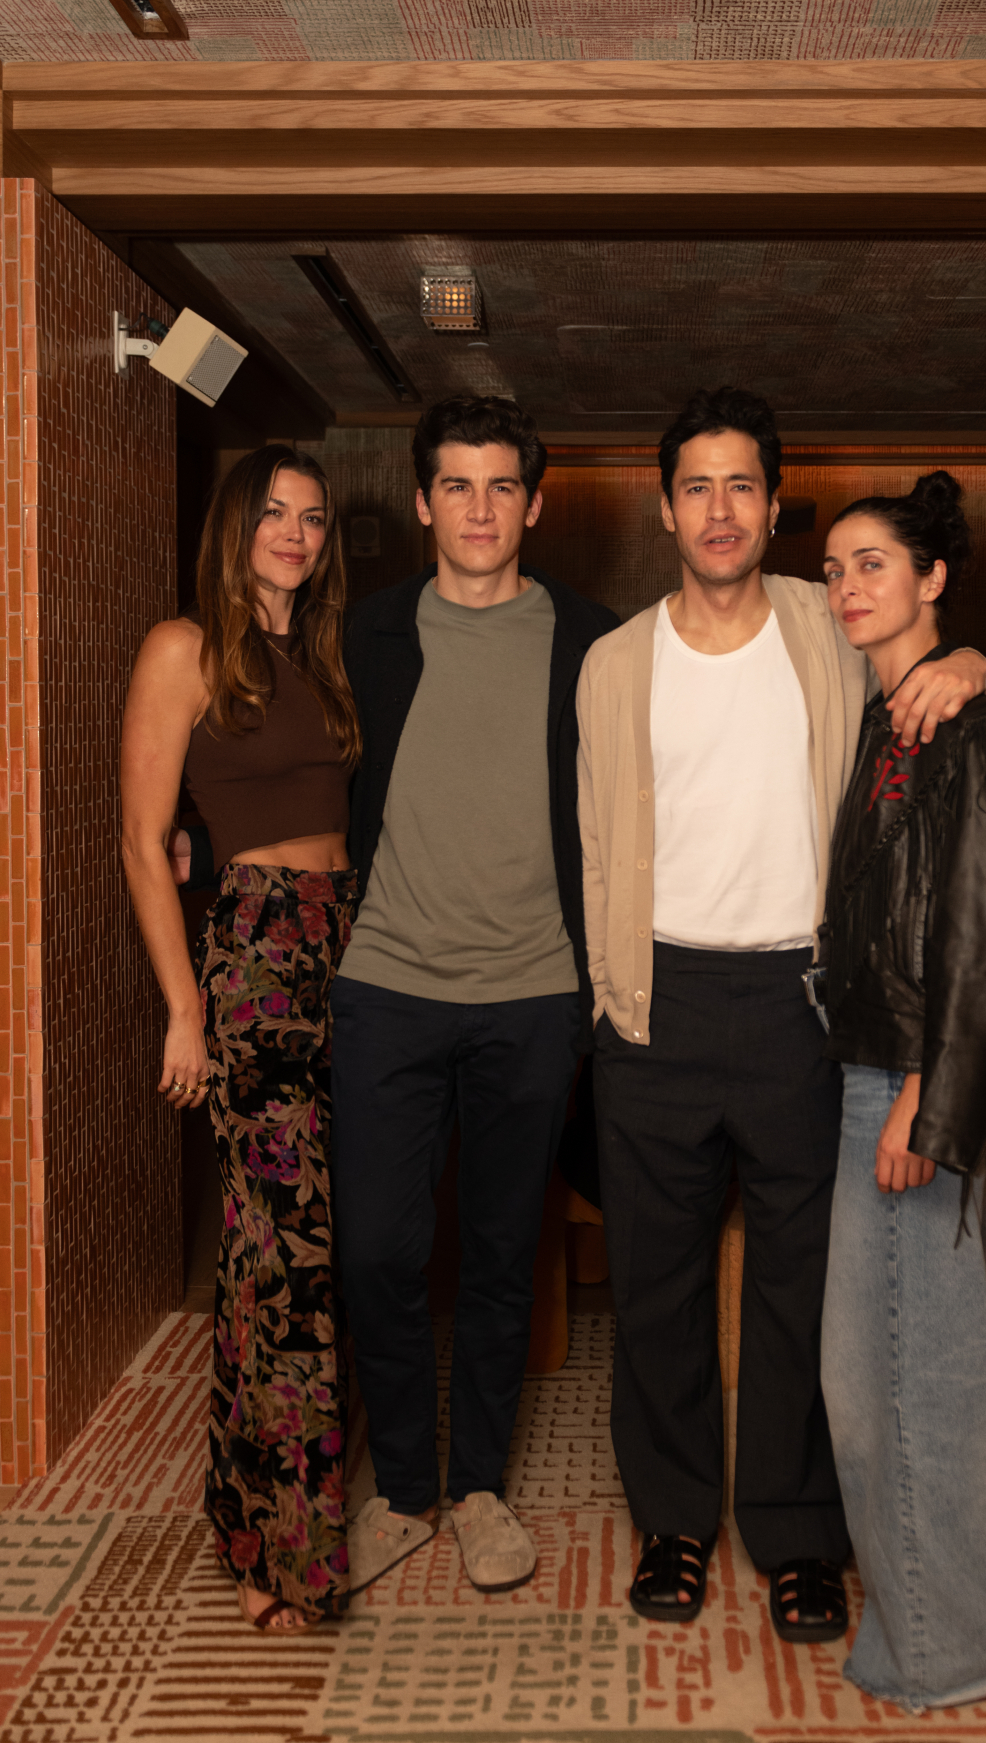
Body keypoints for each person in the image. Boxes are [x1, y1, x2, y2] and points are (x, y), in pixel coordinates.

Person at [576, 390, 986, 1637]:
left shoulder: (825, 623)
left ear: (772, 505)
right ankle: (674, 1521)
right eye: (696, 486)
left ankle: (796, 1532)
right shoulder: (614, 663)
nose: (719, 509)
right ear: (665, 508)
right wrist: (611, 1002)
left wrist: (974, 666)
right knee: (657, 1284)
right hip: (657, 1005)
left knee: (804, 1286)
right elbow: (596, 845)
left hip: (803, 1005)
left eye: (742, 486)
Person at [328, 396, 617, 1594]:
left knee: (503, 1253)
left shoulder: (595, 641)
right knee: (377, 1251)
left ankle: (480, 1486)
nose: (480, 509)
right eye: (457, 485)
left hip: (533, 992)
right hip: (385, 985)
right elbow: (280, 744)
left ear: (533, 505)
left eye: (502, 487)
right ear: (423, 502)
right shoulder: (365, 632)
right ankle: (403, 1487)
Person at [818, 471, 986, 1713]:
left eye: (873, 563)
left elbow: (976, 934)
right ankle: (974, 1611)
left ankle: (946, 1649)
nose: (848, 586)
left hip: (908, 1080)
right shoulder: (893, 717)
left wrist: (926, 1092)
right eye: (835, 568)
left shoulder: (967, 730)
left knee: (896, 1380)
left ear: (933, 579)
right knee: (946, 1358)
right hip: (882, 1068)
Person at [121, 445, 360, 1634]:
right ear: (235, 525)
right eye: (273, 512)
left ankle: (268, 1506)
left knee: (329, 1242)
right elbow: (141, 838)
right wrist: (184, 1007)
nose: (295, 533)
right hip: (257, 955)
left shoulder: (319, 651)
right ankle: (278, 1551)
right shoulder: (183, 648)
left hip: (348, 943)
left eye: (311, 517)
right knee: (276, 1255)